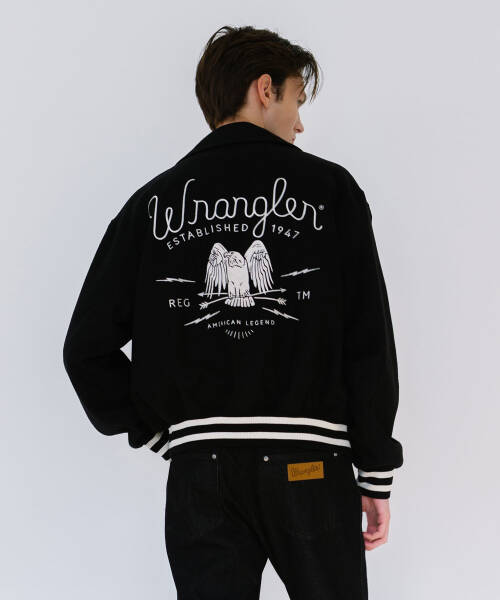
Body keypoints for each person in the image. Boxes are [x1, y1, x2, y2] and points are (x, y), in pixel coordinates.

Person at [63, 24, 403, 600]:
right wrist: (374, 470)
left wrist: (163, 432)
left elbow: (85, 348)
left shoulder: (152, 204)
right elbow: (368, 340)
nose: (300, 124)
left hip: (202, 473)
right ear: (265, 89)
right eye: (297, 100)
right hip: (310, 467)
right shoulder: (330, 190)